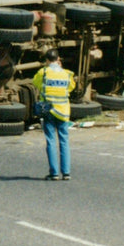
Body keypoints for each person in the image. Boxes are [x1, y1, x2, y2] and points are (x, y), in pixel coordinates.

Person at [32, 49, 76, 180]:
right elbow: (71, 88)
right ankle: (66, 172)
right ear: (58, 59)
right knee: (64, 141)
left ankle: (54, 173)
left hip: (49, 110)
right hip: (63, 111)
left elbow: (36, 83)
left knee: (51, 141)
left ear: (46, 60)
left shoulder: (43, 72)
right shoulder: (67, 74)